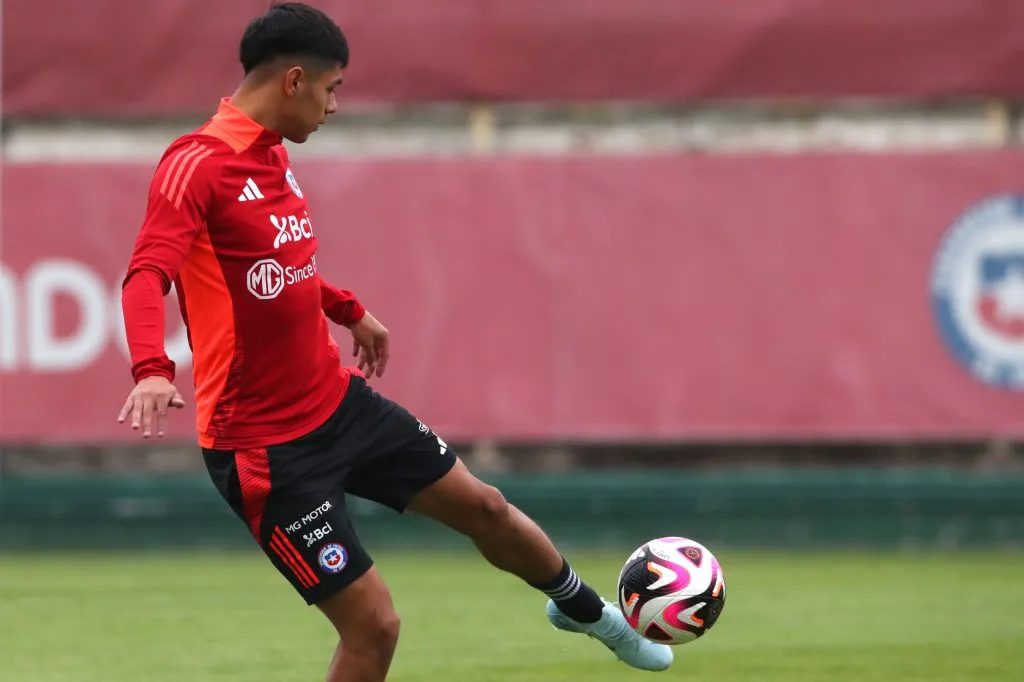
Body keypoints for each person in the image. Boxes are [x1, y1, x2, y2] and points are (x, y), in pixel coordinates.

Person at [116, 3, 673, 680]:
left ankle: (588, 612)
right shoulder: (196, 164)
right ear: (294, 80)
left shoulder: (272, 158)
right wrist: (151, 367)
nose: (333, 105)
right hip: (266, 450)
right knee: (375, 627)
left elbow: (278, 270)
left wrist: (347, 309)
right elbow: (148, 272)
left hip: (337, 404)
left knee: (486, 507)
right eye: (332, 88)